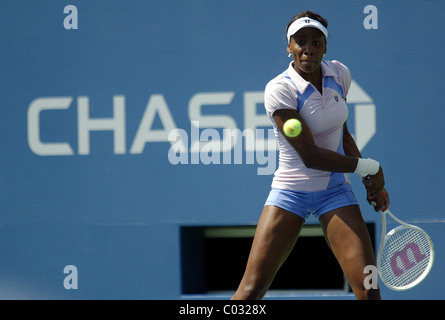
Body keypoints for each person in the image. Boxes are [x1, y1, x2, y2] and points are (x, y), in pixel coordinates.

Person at [232, 10, 389, 300]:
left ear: (325, 47)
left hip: (335, 192)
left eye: (316, 42)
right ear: (289, 46)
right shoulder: (279, 89)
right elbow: (310, 156)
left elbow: (342, 132)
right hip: (291, 192)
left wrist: (369, 178)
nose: (308, 49)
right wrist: (369, 166)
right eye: (300, 41)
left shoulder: (340, 74)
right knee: (251, 291)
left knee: (369, 291)